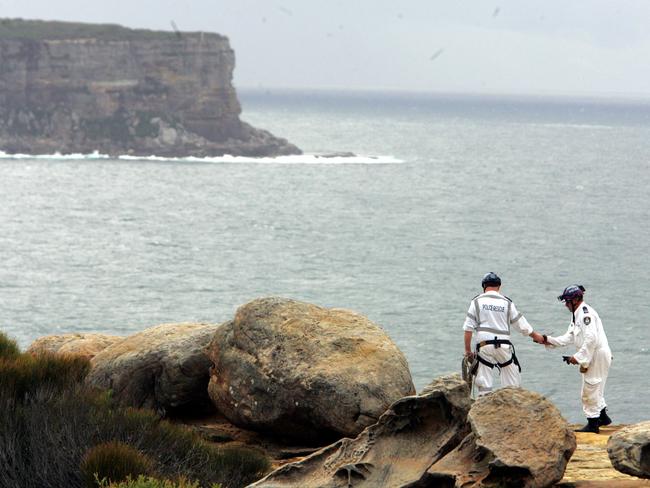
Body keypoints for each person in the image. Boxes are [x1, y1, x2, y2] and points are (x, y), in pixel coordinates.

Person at [537, 285, 612, 433]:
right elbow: (568, 337)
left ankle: (592, 425)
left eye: (567, 301)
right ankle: (602, 417)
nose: (565, 304)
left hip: (596, 355)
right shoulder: (577, 315)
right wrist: (548, 340)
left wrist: (577, 357)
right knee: (595, 387)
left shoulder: (585, 315)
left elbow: (591, 339)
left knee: (589, 389)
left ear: (576, 300)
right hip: (595, 355)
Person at [463, 272, 545, 396]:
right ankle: (511, 402)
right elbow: (522, 326)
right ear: (499, 287)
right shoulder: (507, 302)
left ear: (484, 286)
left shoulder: (476, 301)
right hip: (503, 345)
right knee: (511, 377)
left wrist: (468, 352)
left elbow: (468, 329)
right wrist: (538, 337)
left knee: (484, 382)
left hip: (484, 346)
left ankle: (483, 408)